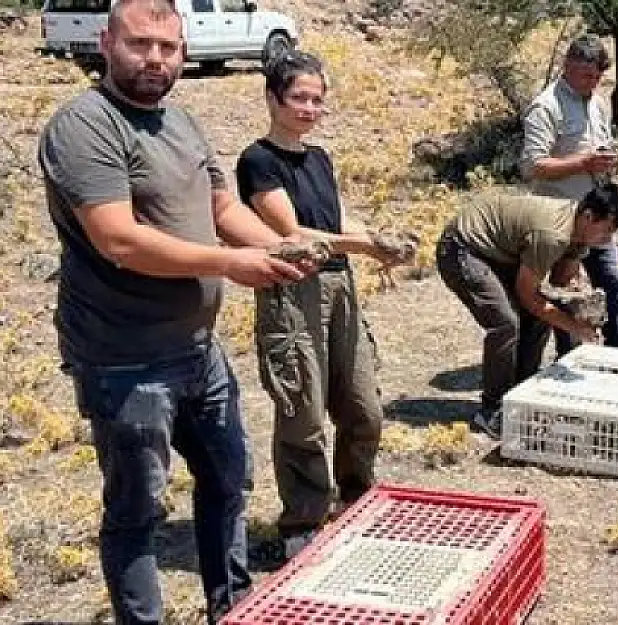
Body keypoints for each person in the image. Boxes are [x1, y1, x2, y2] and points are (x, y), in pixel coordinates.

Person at [37, 1, 317, 622]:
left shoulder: (182, 122)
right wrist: (226, 264)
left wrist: (279, 246)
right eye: (139, 45)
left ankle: (233, 608)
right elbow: (119, 239)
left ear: (184, 52)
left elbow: (223, 209)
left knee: (227, 482)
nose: (155, 59)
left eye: (167, 47)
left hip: (198, 349)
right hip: (126, 359)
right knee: (138, 512)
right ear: (107, 42)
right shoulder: (86, 126)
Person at [235, 51, 407, 559]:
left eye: (317, 100)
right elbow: (292, 233)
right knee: (303, 412)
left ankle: (355, 498)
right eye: (299, 98)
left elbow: (337, 224)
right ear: (273, 99)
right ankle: (302, 522)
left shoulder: (320, 158)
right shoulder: (258, 160)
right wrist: (365, 246)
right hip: (293, 290)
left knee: (363, 407)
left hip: (340, 287)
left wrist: (379, 238)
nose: (309, 109)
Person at [436, 184, 618, 437]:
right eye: (607, 230)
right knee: (505, 324)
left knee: (538, 319)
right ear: (589, 217)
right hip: (463, 247)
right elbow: (529, 296)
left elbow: (559, 282)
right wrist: (573, 327)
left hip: (496, 250)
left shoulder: (578, 234)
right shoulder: (552, 234)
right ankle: (492, 410)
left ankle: (520, 396)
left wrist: (579, 301)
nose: (609, 239)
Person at [521, 33, 618, 354]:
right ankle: (570, 357)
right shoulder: (546, 107)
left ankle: (616, 356)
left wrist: (607, 162)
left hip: (597, 217)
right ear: (566, 65)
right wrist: (583, 162)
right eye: (585, 75)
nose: (592, 82)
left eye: (597, 77)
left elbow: (598, 149)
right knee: (563, 292)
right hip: (560, 220)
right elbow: (532, 165)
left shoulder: (596, 102)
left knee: (613, 283)